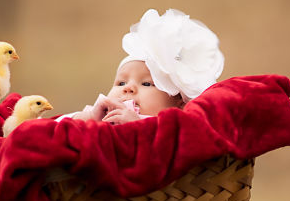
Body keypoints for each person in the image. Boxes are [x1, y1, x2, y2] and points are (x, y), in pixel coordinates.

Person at [57, 8, 224, 124]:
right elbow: (60, 126)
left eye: (146, 84)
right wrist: (88, 118)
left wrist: (136, 125)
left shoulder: (163, 126)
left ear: (179, 103)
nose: (128, 88)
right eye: (121, 83)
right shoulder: (100, 115)